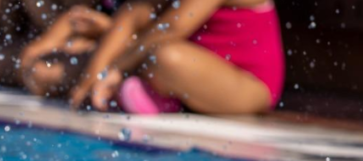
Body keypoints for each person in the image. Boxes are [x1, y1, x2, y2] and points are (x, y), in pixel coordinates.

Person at [67, 0, 285, 114]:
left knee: (164, 57)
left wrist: (116, 68)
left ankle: (160, 95)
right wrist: (90, 79)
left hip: (252, 85)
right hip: (192, 66)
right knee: (137, 12)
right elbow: (134, 15)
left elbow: (173, 27)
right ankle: (94, 86)